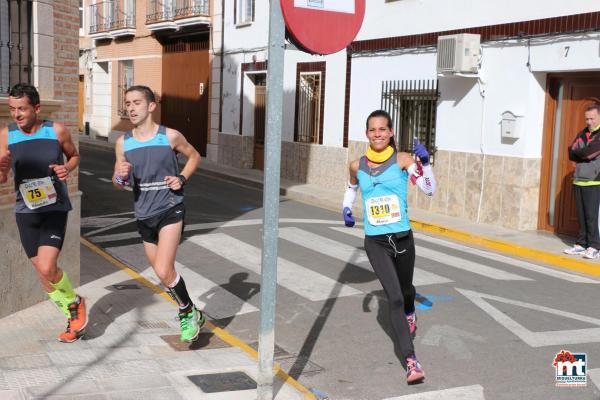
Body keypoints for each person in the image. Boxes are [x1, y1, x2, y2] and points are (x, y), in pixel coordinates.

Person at [342, 110, 436, 384]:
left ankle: (410, 309)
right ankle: (411, 360)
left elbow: (429, 190)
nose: (378, 134)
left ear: (391, 132)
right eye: (372, 130)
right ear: (367, 134)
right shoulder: (356, 164)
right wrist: (346, 208)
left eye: (383, 129)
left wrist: (426, 164)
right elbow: (351, 188)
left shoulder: (403, 160)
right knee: (394, 297)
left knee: (406, 291)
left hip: (403, 238)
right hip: (376, 241)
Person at [112, 85, 203, 342]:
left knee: (164, 270)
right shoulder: (123, 142)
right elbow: (117, 182)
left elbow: (195, 157)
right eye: (128, 103)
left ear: (151, 106)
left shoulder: (170, 136)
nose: (131, 108)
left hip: (170, 208)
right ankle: (193, 309)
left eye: (137, 102)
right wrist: (120, 177)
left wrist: (181, 178)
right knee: (164, 274)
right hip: (143, 214)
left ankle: (186, 313)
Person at [0, 83, 86, 343]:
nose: (17, 114)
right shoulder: (6, 135)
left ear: (36, 108)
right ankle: (74, 309)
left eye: (22, 109)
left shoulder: (56, 130)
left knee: (48, 267)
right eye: (12, 109)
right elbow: (2, 178)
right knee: (43, 273)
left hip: (54, 207)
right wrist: (1, 168)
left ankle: (74, 306)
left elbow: (74, 155)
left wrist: (66, 169)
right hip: (25, 210)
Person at [565, 103, 600, 259]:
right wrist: (579, 151)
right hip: (579, 180)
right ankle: (581, 244)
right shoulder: (583, 133)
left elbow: (589, 153)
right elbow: (570, 152)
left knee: (591, 217)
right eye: (587, 119)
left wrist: (580, 151)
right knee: (581, 215)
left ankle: (594, 246)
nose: (589, 122)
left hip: (594, 181)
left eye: (592, 118)